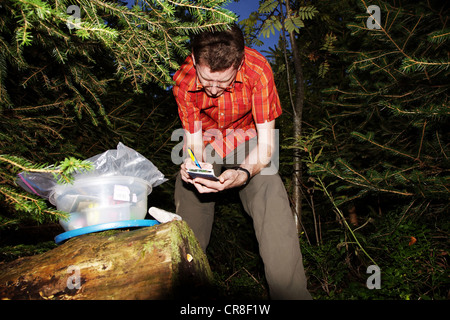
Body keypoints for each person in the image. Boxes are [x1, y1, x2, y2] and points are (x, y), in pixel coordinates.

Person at [172, 24, 311, 300]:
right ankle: (187, 295)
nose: (212, 90)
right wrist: (193, 168)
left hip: (249, 141)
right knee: (187, 194)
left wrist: (244, 173)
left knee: (270, 187)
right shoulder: (184, 79)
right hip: (208, 142)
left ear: (238, 62)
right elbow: (194, 143)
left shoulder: (257, 70)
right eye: (206, 80)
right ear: (194, 58)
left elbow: (267, 145)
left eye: (222, 82)